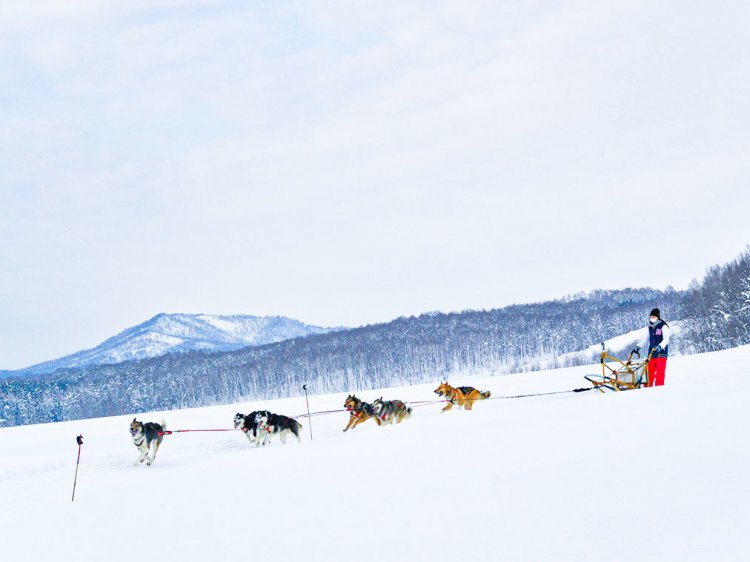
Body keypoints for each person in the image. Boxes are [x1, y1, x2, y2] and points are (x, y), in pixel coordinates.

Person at [646, 308, 670, 387]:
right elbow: (645, 339)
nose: (652, 318)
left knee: (660, 372)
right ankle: (646, 389)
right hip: (652, 353)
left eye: (654, 317)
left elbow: (666, 339)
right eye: (651, 317)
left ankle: (659, 389)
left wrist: (660, 346)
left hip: (661, 353)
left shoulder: (663, 326)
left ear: (658, 317)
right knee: (649, 372)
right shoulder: (650, 328)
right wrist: (638, 347)